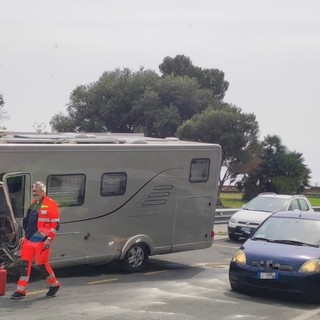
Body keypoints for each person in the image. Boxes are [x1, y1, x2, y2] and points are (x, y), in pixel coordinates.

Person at [11, 181, 61, 300]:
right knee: (25, 264)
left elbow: (56, 225)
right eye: (34, 191)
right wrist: (25, 236)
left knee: (42, 264)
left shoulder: (51, 204)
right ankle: (21, 291)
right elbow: (28, 222)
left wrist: (49, 239)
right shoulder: (34, 203)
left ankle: (54, 284)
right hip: (30, 239)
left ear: (43, 191)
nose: (35, 193)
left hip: (41, 239)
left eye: (37, 190)